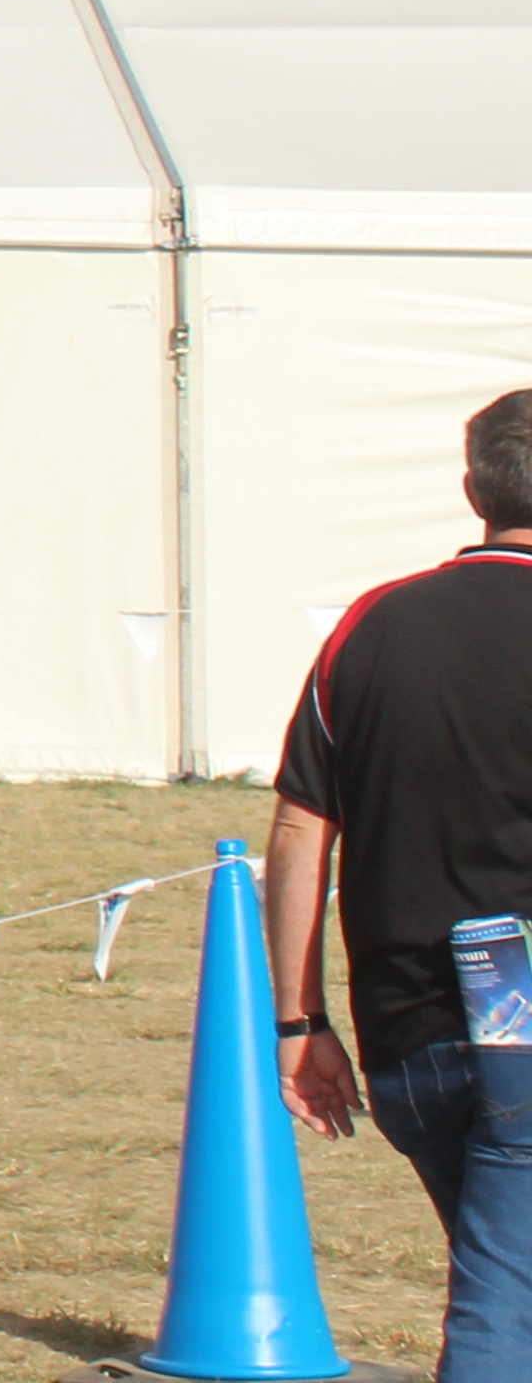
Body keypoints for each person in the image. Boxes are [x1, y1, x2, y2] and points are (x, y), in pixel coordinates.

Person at [269, 384, 532, 1383]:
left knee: (505, 1277)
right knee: (503, 1311)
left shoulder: (370, 626)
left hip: (406, 1028)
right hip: (514, 1013)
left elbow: (300, 824)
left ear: (474, 487)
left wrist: (300, 1022)